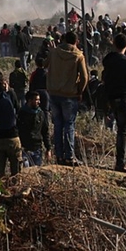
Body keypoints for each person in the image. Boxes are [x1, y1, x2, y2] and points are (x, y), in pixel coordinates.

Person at [46, 31, 89, 166]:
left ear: (63, 40)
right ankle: (69, 156)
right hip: (70, 95)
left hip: (54, 93)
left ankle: (59, 156)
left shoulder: (54, 52)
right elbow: (84, 77)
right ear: (76, 42)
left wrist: (52, 51)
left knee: (57, 125)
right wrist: (80, 91)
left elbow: (45, 64)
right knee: (69, 125)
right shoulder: (78, 56)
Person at [103, 33, 126, 172]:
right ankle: (120, 162)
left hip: (111, 98)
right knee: (123, 131)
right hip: (124, 97)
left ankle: (120, 159)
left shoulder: (108, 60)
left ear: (113, 44)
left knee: (118, 129)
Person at [18, 90, 51, 166]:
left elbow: (45, 131)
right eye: (36, 100)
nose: (39, 102)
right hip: (24, 149)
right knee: (25, 170)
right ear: (30, 100)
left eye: (39, 100)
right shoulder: (22, 113)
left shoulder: (40, 113)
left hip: (37, 149)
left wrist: (48, 148)